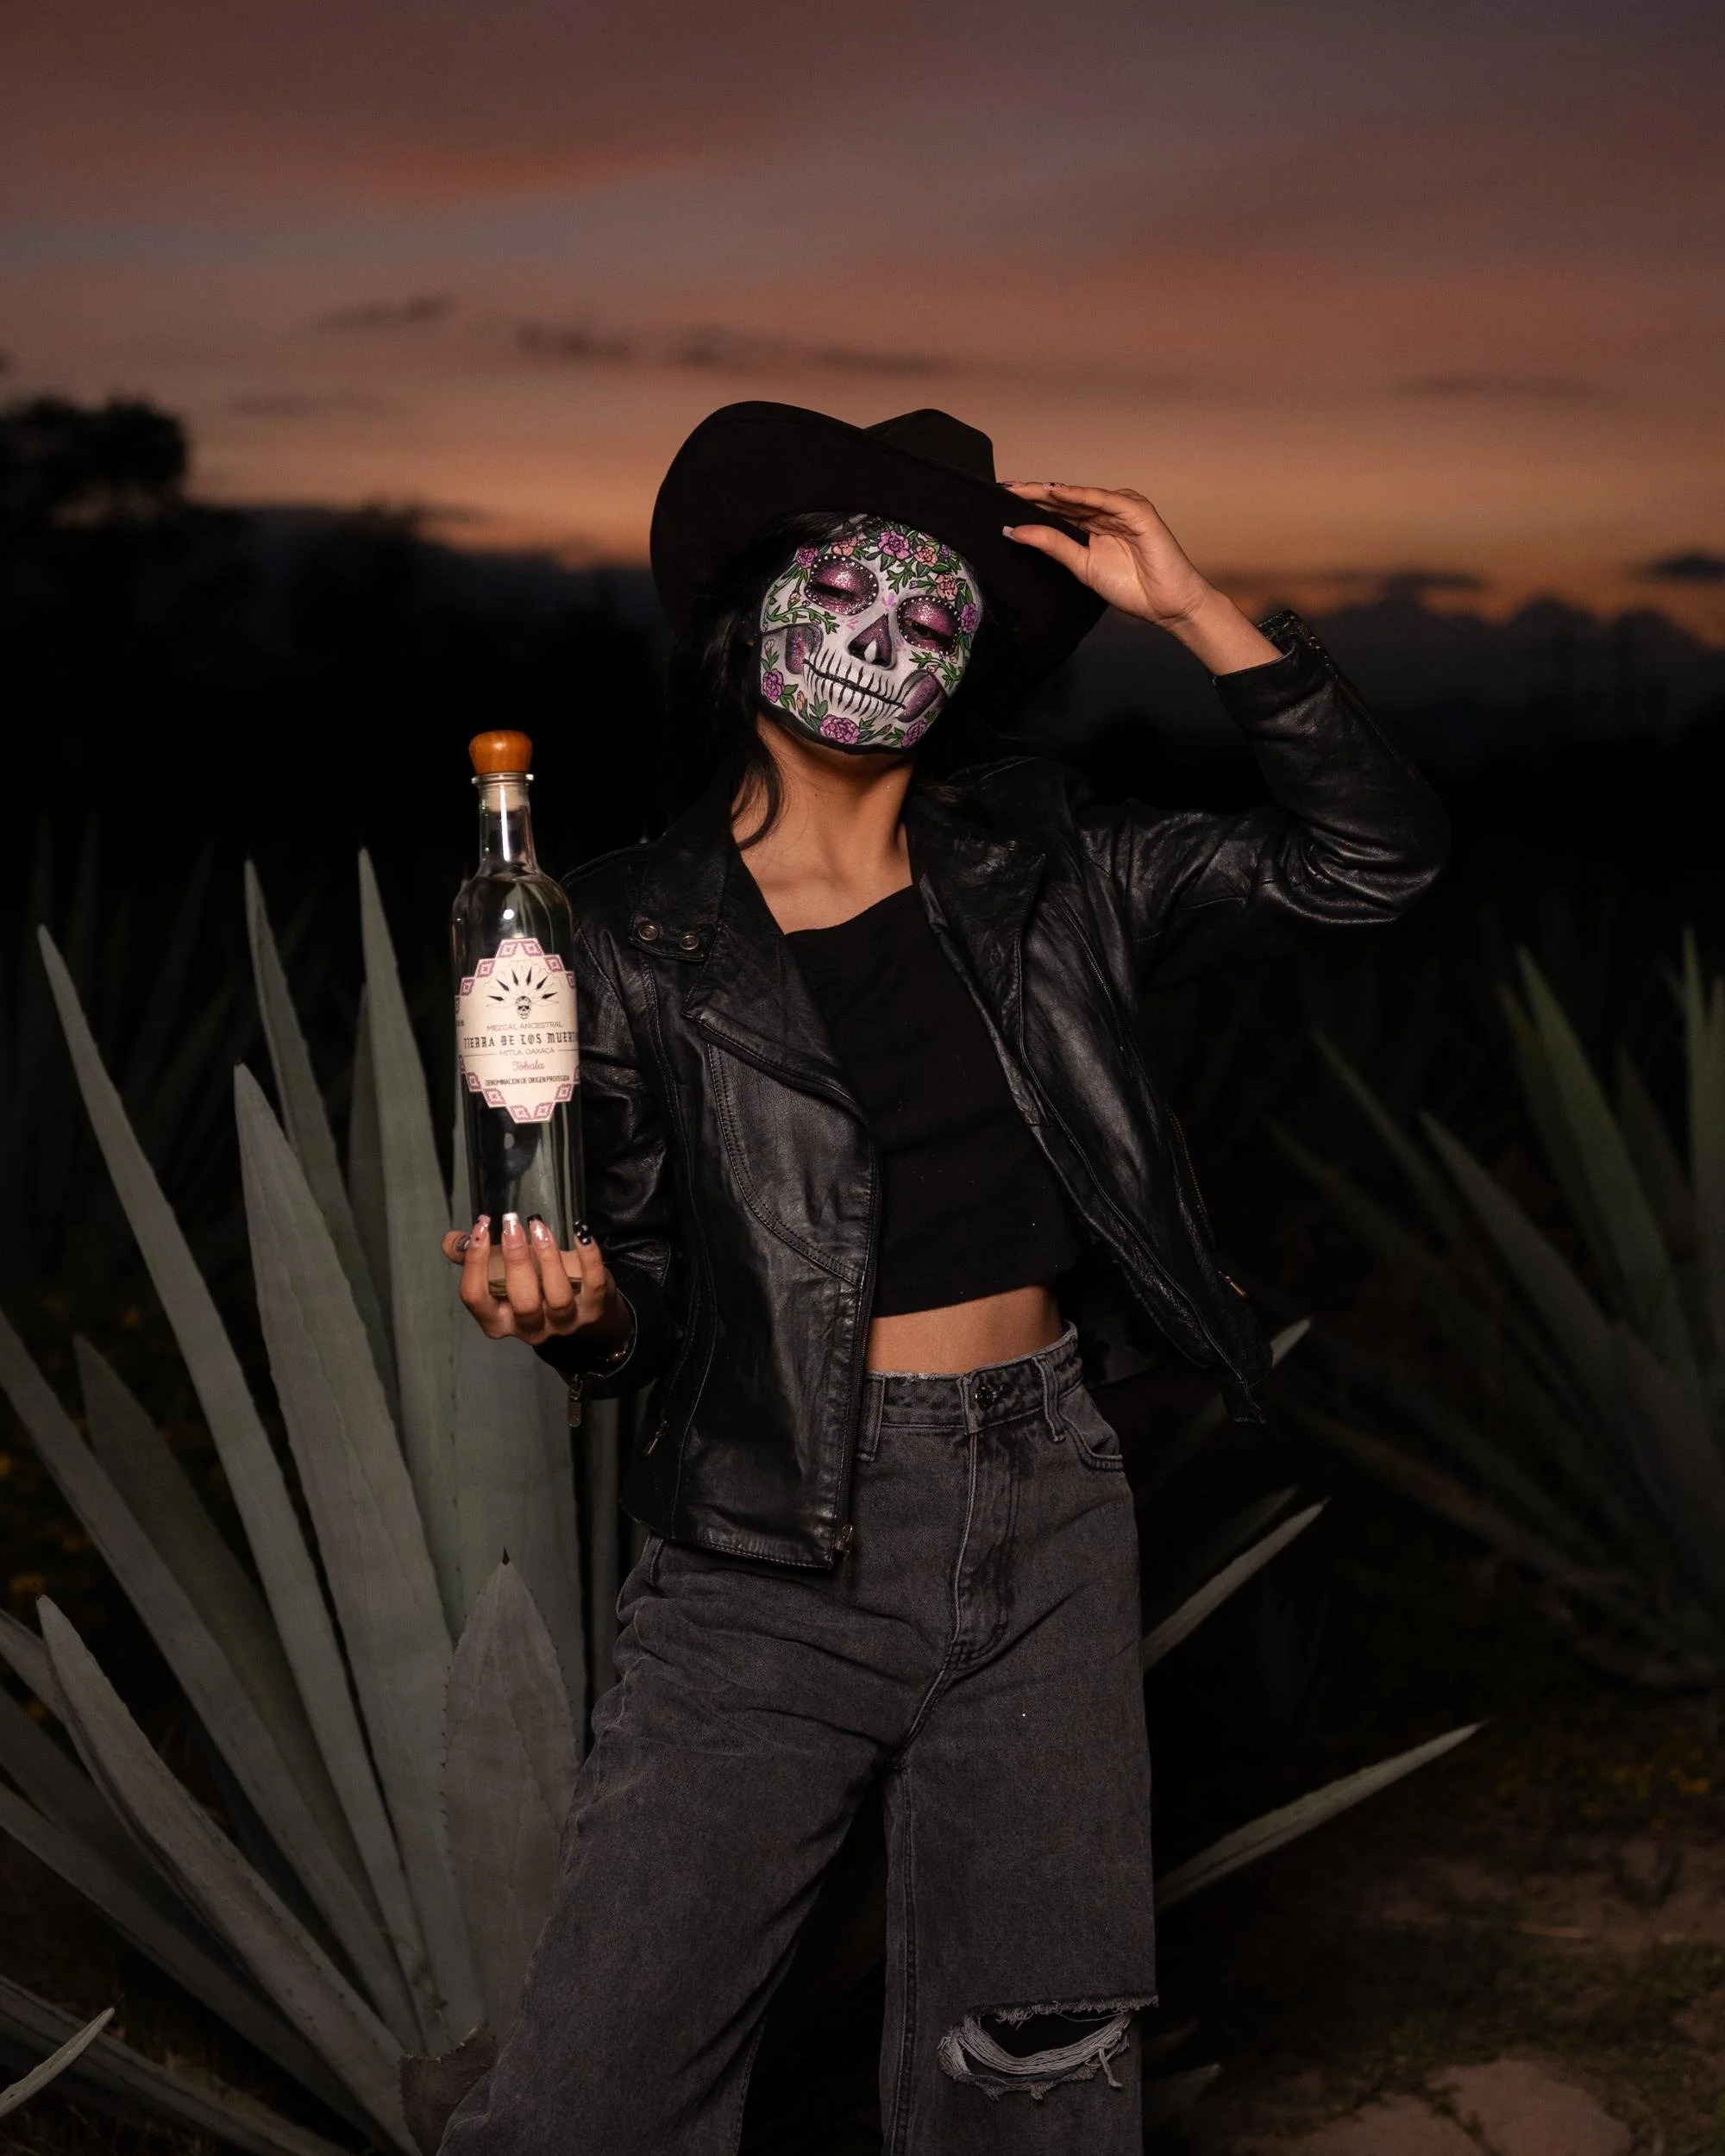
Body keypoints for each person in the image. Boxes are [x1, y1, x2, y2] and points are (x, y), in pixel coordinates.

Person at [436, 402, 1447, 2154]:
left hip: (1049, 1503)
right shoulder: (620, 932)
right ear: (749, 623)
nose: (883, 627)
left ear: (970, 658)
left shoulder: (1059, 867)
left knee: (1033, 2083)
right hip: (766, 1548)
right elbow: (648, 1279)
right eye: (840, 581)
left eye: (937, 601)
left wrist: (1197, 605)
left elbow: (1370, 865)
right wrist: (584, 1311)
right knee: (591, 2099)